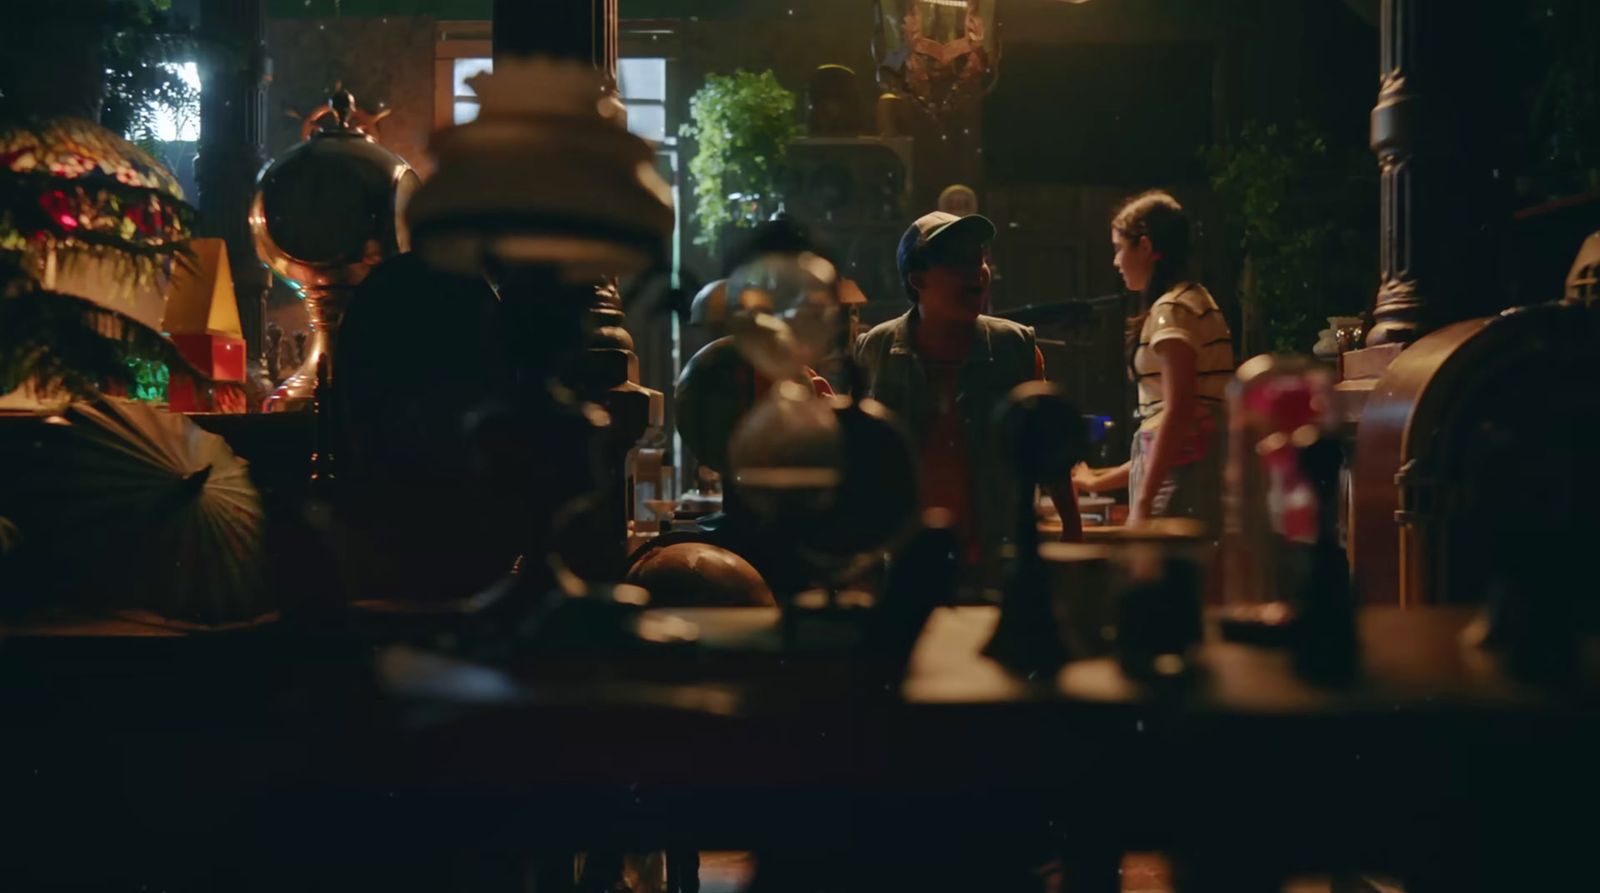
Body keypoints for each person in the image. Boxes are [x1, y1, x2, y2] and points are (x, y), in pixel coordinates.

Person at [855, 211, 1082, 592]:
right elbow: (864, 461)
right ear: (918, 279)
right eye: (958, 261)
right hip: (905, 558)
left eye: (979, 257)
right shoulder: (875, 349)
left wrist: (1073, 533)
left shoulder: (1016, 348)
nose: (977, 269)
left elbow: (1048, 448)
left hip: (995, 557)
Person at [1073, 190, 1234, 529]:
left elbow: (1178, 411)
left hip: (1177, 487)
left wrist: (1143, 504)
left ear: (1145, 247)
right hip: (1184, 476)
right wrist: (1094, 480)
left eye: (1119, 248)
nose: (1116, 261)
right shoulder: (1193, 300)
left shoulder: (1173, 309)